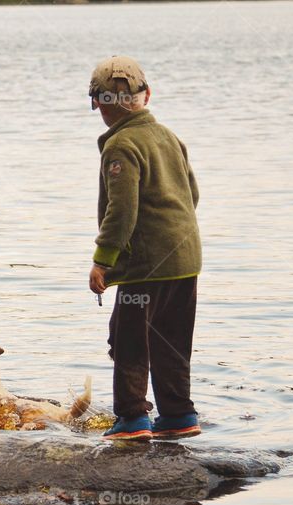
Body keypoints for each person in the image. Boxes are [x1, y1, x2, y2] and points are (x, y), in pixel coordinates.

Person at [86, 56, 202, 441]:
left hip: (146, 265)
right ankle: (178, 414)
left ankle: (133, 418)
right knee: (172, 340)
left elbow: (122, 212)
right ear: (147, 95)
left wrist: (103, 261)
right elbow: (192, 194)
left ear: (97, 105)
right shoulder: (169, 137)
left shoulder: (120, 146)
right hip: (186, 260)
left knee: (129, 339)